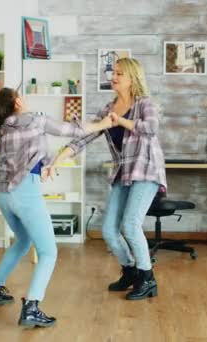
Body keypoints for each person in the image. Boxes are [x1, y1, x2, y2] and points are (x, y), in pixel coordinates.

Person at [0, 87, 112, 327]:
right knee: (48, 252)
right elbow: (71, 130)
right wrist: (103, 123)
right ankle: (32, 306)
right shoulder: (36, 120)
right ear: (18, 102)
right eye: (23, 95)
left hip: (2, 194)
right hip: (25, 193)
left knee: (22, 240)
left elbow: (24, 156)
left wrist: (45, 163)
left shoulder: (1, 129)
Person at [48, 58, 167, 300]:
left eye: (119, 73)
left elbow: (151, 128)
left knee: (130, 225)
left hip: (145, 170)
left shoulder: (145, 103)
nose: (113, 77)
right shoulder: (108, 108)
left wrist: (120, 120)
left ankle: (147, 279)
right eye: (113, 73)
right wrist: (57, 160)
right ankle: (131, 271)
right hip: (123, 172)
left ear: (132, 77)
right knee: (109, 231)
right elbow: (84, 137)